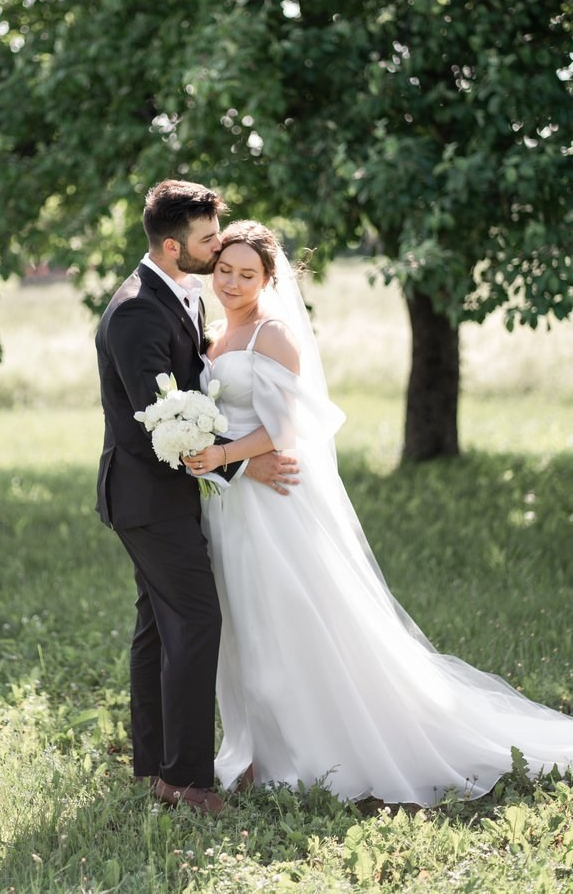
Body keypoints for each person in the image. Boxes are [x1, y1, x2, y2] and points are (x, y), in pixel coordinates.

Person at [183, 220, 573, 805]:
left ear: (269, 279)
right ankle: (255, 750)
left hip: (272, 507)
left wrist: (224, 454)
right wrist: (215, 460)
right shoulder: (213, 335)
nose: (233, 282)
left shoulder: (274, 334)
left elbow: (287, 430)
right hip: (231, 502)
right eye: (225, 270)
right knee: (241, 624)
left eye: (247, 274)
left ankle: (306, 753)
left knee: (281, 621)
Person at [94, 182, 299, 813]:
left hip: (172, 496)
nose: (218, 249)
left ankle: (154, 766)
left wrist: (235, 457)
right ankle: (184, 779)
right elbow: (151, 423)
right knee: (195, 620)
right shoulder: (135, 310)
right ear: (173, 243)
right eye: (210, 240)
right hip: (147, 499)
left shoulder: (178, 296)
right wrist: (240, 467)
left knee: (158, 627)